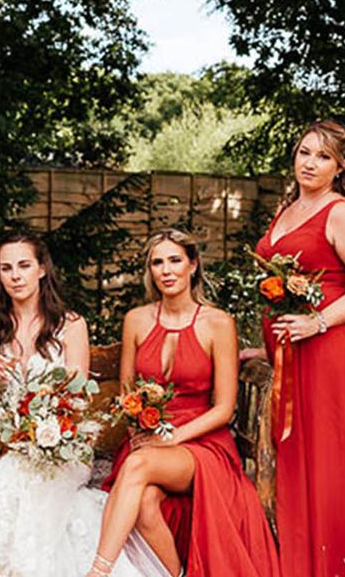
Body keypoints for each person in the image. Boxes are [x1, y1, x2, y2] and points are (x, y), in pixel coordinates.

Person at [0, 233, 169, 577]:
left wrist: (43, 430)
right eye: (6, 268)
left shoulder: (70, 324)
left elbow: (76, 400)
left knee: (19, 480)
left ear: (42, 269)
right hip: (7, 445)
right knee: (10, 476)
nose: (15, 276)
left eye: (23, 266)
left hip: (61, 444)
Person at [87, 229, 280, 577]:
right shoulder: (136, 319)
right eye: (157, 262)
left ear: (192, 265)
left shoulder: (218, 323)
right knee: (145, 503)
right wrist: (138, 428)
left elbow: (224, 409)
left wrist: (172, 438)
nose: (166, 270)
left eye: (175, 260)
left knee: (137, 467)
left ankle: (97, 572)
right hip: (148, 438)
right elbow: (127, 393)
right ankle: (178, 573)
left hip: (202, 445)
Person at [253, 119, 345, 574]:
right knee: (296, 463)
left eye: (323, 156)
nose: (310, 163)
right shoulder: (284, 211)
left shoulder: (340, 213)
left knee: (331, 463)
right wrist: (265, 351)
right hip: (291, 356)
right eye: (304, 152)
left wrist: (317, 323)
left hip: (330, 354)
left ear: (339, 167)